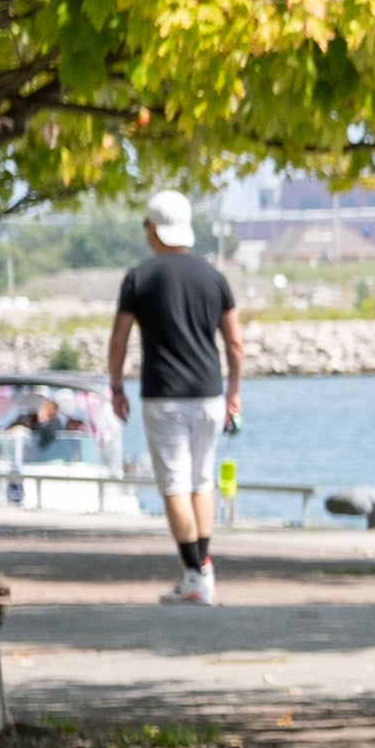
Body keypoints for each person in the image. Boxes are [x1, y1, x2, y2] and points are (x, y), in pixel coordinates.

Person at [109, 190, 246, 602]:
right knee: (201, 481)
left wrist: (115, 386)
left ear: (153, 228)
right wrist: (234, 393)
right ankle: (202, 572)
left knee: (173, 484)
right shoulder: (214, 277)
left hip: (163, 394)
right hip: (209, 394)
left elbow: (119, 339)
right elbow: (235, 343)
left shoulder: (139, 277)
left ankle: (196, 573)